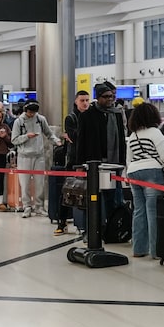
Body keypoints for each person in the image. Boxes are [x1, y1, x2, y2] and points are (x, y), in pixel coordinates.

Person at [126, 102, 164, 259]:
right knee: (153, 211)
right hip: (152, 172)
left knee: (139, 211)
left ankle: (139, 248)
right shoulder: (155, 132)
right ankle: (156, 250)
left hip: (133, 172)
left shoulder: (133, 135)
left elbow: (129, 159)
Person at [76, 81, 128, 232]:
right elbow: (81, 141)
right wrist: (80, 164)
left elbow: (121, 139)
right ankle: (91, 230)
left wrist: (122, 161)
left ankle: (112, 228)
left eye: (111, 96)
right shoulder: (87, 116)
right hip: (94, 164)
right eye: (106, 97)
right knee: (94, 198)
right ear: (98, 98)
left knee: (114, 198)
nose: (110, 99)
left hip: (114, 164)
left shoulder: (117, 114)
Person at [11, 101, 62, 217]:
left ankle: (39, 206)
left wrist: (56, 141)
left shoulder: (40, 119)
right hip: (24, 157)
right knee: (25, 184)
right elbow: (14, 139)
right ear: (25, 110)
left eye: (33, 113)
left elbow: (49, 134)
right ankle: (27, 206)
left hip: (39, 156)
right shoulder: (19, 122)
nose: (31, 115)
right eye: (29, 113)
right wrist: (26, 137)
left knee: (40, 183)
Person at [54, 90, 91, 236]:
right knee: (67, 191)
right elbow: (75, 136)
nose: (85, 103)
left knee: (87, 193)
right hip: (73, 161)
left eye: (87, 100)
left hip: (88, 160)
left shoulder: (91, 116)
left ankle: (85, 225)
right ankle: (61, 222)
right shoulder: (71, 118)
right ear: (76, 101)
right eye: (82, 100)